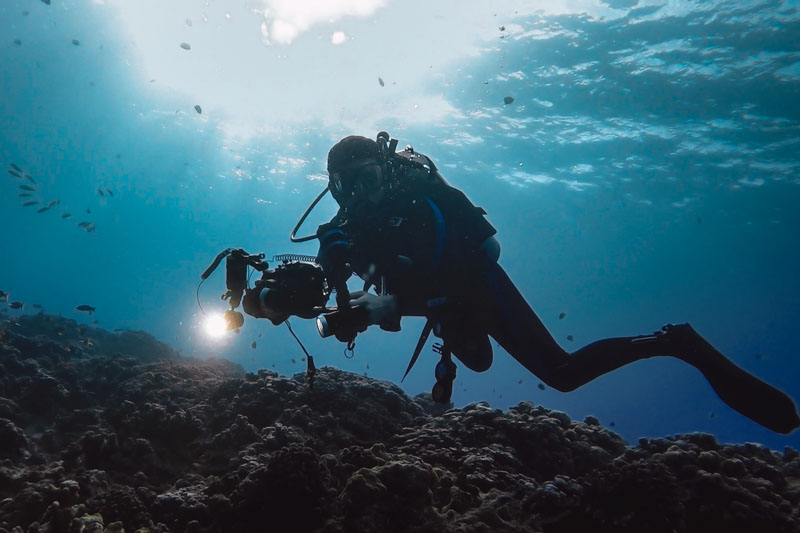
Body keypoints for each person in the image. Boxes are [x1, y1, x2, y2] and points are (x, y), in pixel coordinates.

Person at [314, 133, 800, 434]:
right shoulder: (346, 230)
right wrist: (309, 289)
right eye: (344, 186)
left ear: (386, 172)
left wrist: (386, 307)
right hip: (440, 306)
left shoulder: (427, 200)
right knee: (478, 361)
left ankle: (675, 343)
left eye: (366, 179)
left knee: (563, 374)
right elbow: (315, 290)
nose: (358, 195)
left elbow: (486, 254)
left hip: (479, 287)